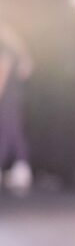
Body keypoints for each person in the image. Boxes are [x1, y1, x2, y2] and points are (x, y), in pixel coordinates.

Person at [0, 22, 33, 191]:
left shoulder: (5, 51)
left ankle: (21, 168)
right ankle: (22, 168)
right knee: (12, 132)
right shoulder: (19, 52)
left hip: (7, 98)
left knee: (8, 131)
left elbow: (2, 76)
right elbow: (26, 72)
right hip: (16, 97)